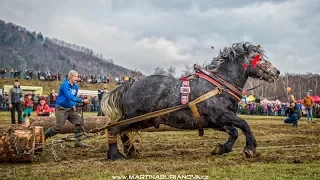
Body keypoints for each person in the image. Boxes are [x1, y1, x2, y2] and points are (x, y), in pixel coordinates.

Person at [44, 70, 90, 147]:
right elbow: (69, 96)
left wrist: (74, 105)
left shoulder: (75, 87)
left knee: (79, 121)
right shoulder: (65, 85)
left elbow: (73, 98)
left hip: (70, 109)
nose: (77, 78)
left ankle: (78, 141)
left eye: (77, 76)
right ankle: (44, 136)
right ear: (70, 77)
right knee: (59, 127)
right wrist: (82, 100)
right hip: (61, 108)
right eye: (75, 76)